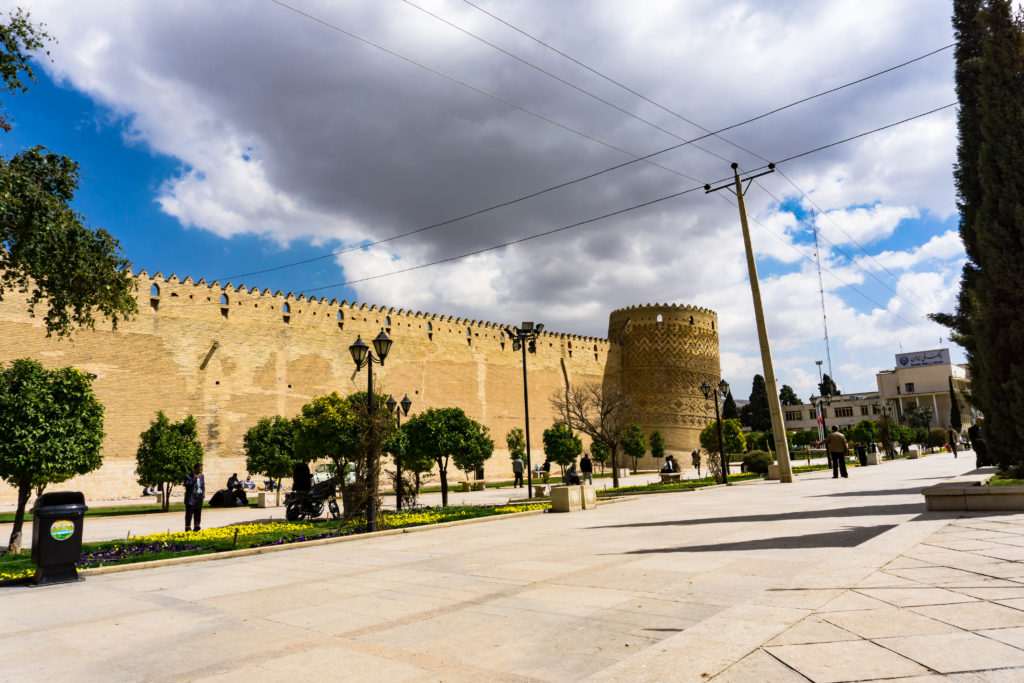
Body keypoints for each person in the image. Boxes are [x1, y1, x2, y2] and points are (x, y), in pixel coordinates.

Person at [183, 463, 206, 532]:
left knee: (198, 513)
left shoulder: (202, 476)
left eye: (201, 469)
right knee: (189, 514)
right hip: (191, 498)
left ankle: (197, 527)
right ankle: (188, 528)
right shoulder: (188, 476)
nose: (200, 470)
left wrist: (203, 495)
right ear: (195, 468)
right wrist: (194, 479)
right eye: (199, 468)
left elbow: (202, 486)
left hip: (199, 497)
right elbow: (186, 485)